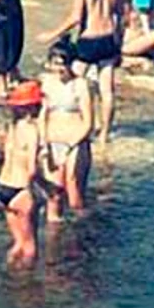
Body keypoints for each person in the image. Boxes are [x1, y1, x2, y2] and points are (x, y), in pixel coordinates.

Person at [43, 0, 124, 142]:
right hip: (109, 38)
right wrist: (119, 43)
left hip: (89, 39)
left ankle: (77, 124)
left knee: (72, 82)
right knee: (107, 91)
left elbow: (76, 17)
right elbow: (122, 15)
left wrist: (52, 34)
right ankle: (104, 135)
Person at [0, 81, 51, 266]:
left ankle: (9, 278)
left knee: (18, 243)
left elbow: (3, 157)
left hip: (3, 188)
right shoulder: (31, 130)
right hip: (21, 190)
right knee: (30, 247)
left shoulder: (12, 127)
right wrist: (47, 187)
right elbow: (32, 170)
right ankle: (29, 291)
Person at [38, 41, 94, 219]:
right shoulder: (47, 83)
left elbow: (88, 122)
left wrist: (73, 144)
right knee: (53, 196)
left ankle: (82, 237)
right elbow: (42, 114)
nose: (59, 69)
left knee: (74, 193)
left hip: (74, 143)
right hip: (52, 141)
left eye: (63, 64)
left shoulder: (80, 85)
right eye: (55, 64)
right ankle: (54, 239)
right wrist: (43, 142)